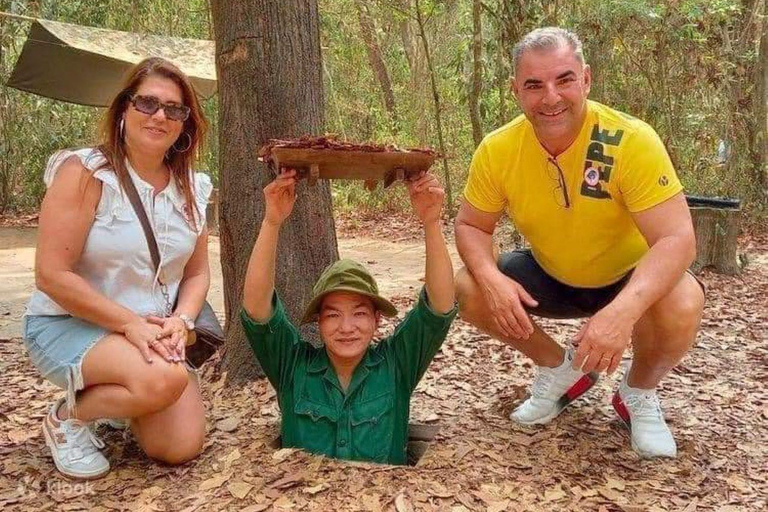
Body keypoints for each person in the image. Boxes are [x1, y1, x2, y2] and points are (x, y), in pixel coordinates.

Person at [455, 27, 705, 458]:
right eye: (534, 84)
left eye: (564, 79)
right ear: (516, 90)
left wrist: (623, 312)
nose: (550, 97)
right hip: (551, 273)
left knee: (684, 298)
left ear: (586, 79)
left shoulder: (631, 140)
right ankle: (560, 370)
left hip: (628, 279)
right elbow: (471, 225)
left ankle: (638, 393)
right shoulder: (498, 149)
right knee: (466, 286)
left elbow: (678, 239)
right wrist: (491, 279)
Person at [23, 57, 212, 478]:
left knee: (178, 447)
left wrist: (181, 320)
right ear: (124, 108)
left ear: (185, 124)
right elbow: (52, 275)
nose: (160, 115)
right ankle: (67, 418)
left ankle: (123, 396)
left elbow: (198, 274)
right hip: (68, 324)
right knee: (163, 381)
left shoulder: (192, 188)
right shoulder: (85, 173)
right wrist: (129, 324)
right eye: (147, 103)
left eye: (174, 108)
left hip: (150, 332)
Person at [241, 169, 456, 465]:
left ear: (376, 320)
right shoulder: (292, 366)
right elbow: (256, 309)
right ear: (318, 321)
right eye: (333, 315)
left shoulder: (397, 364)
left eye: (359, 313)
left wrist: (431, 222)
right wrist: (272, 221)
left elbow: (440, 308)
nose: (346, 327)